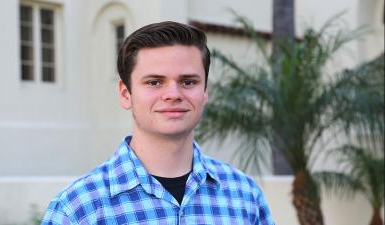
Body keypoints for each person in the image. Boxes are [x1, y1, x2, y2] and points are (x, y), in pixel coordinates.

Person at [42, 21, 275, 225]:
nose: (173, 94)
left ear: (205, 93)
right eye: (154, 82)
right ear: (125, 94)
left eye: (188, 81)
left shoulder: (244, 195)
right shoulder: (77, 209)